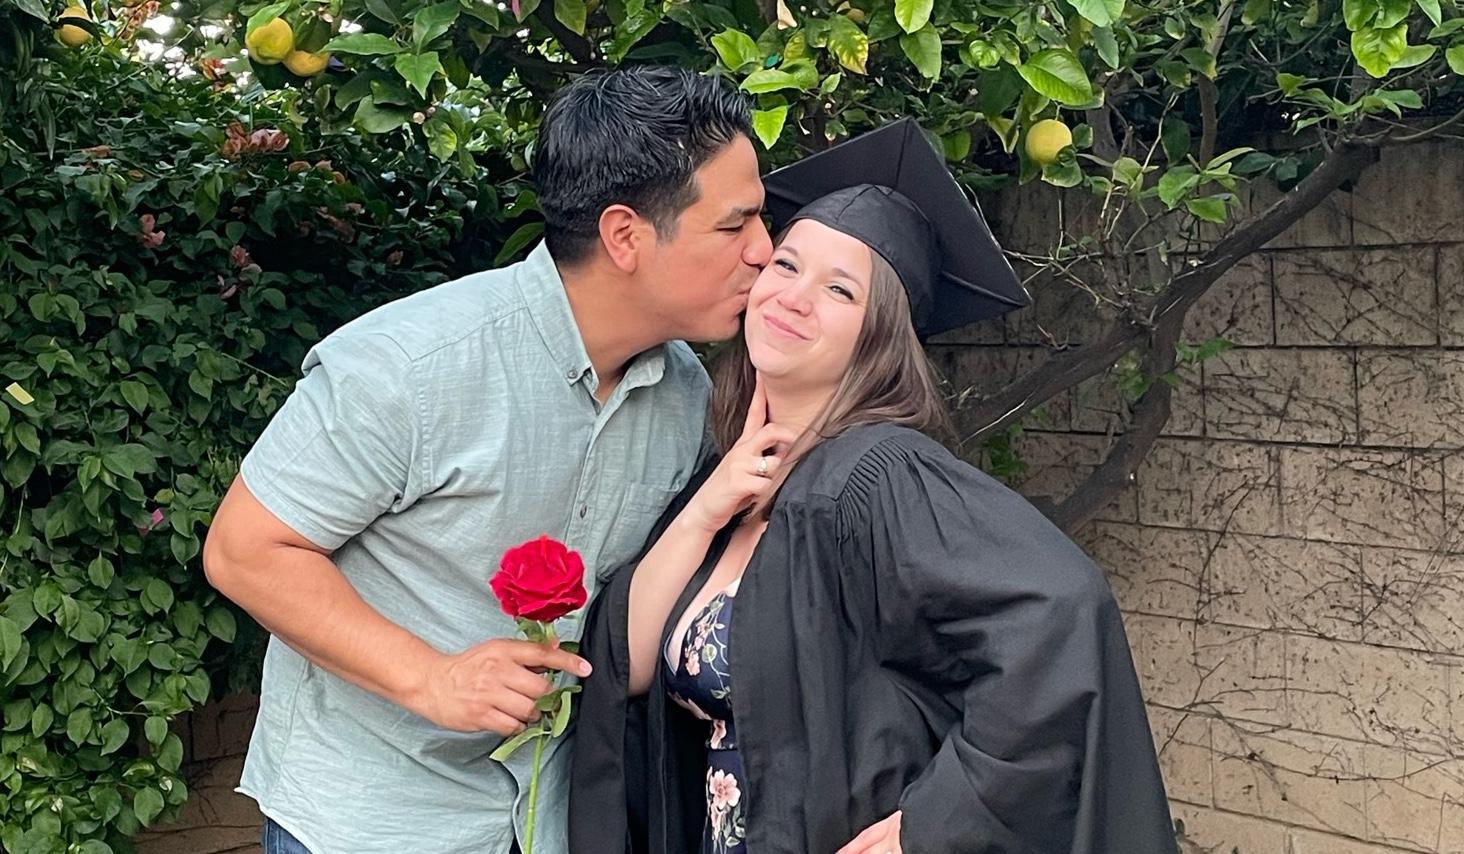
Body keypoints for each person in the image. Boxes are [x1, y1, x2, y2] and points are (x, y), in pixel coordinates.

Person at [201, 66, 773, 854]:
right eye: (735, 226)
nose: (764, 251)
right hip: (368, 817)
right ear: (625, 236)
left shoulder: (684, 395)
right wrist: (430, 677)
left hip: (550, 818)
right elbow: (244, 550)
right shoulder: (410, 366)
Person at [568, 118, 1176, 854]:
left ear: (879, 334)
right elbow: (624, 671)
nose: (794, 297)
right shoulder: (727, 483)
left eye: (840, 289)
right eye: (786, 266)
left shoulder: (879, 476)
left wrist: (933, 825)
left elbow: (1061, 613)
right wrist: (705, 510)